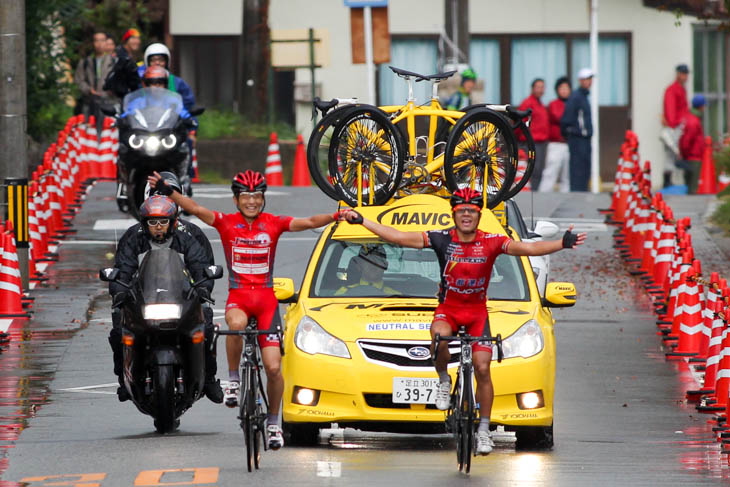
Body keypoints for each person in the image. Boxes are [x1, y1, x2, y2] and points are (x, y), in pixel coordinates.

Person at [338, 188, 585, 455]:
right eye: (461, 211)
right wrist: (363, 221)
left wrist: (562, 243)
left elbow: (529, 247)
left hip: (477, 314)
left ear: (478, 215)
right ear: (453, 214)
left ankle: (483, 432)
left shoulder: (491, 241)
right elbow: (399, 237)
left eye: (471, 211)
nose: (466, 215)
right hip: (449, 310)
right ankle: (444, 380)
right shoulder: (441, 239)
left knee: (482, 368)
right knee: (438, 337)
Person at [148, 169, 343, 450]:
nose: (252, 201)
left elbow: (310, 221)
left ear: (263, 198)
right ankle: (234, 380)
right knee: (235, 324)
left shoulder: (273, 223)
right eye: (246, 196)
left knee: (274, 368)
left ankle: (274, 423)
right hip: (239, 298)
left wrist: (336, 216)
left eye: (257, 196)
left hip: (266, 302)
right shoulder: (227, 224)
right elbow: (194, 208)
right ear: (236, 199)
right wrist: (168, 190)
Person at [108, 194, 223, 403]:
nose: (158, 227)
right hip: (142, 300)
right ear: (145, 223)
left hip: (181, 298)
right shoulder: (133, 238)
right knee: (118, 331)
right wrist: (119, 290)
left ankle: (209, 379)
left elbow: (199, 265)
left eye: (163, 221)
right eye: (153, 222)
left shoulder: (186, 237)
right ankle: (123, 379)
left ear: (173, 222)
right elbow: (122, 269)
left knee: (206, 328)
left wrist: (204, 286)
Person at [138, 43, 199, 179]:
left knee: (184, 145)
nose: (158, 63)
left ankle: (185, 178)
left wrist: (192, 129)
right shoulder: (139, 86)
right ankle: (125, 182)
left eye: (160, 82)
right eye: (154, 60)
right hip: (145, 132)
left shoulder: (177, 87)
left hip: (170, 131)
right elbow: (131, 108)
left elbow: (186, 108)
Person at [561, 68, 594, 192]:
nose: (589, 82)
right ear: (580, 80)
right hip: (578, 138)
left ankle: (582, 191)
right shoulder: (576, 97)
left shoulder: (584, 97)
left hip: (584, 138)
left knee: (585, 168)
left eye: (590, 79)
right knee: (578, 169)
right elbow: (567, 118)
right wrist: (572, 132)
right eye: (587, 79)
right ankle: (578, 194)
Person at [538, 77, 571, 192]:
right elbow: (557, 116)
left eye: (566, 88)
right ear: (557, 90)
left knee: (567, 176)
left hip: (569, 143)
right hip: (556, 144)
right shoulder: (554, 104)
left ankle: (566, 196)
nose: (564, 91)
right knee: (550, 172)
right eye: (561, 88)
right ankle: (544, 195)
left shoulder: (572, 103)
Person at [73, 31, 115, 120]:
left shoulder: (113, 61)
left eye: (102, 40)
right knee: (89, 130)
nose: (99, 44)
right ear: (93, 43)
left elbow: (119, 79)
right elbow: (78, 80)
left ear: (106, 43)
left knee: (108, 130)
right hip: (89, 103)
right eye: (96, 41)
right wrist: (88, 90)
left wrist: (112, 89)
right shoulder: (85, 62)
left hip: (109, 102)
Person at [517, 78, 550, 190]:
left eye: (542, 87)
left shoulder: (540, 104)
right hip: (530, 142)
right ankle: (530, 192)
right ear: (533, 88)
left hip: (541, 142)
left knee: (539, 169)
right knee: (532, 169)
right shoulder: (528, 103)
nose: (541, 90)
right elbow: (520, 122)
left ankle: (535, 191)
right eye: (538, 87)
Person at [335, 245, 399, 296]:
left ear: (385, 265)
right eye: (368, 260)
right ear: (359, 265)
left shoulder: (397, 297)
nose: (373, 264)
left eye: (378, 260)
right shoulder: (343, 293)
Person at [678, 94, 707, 194]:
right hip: (693, 157)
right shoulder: (693, 121)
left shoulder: (690, 118)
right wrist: (685, 154)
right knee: (692, 189)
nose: (705, 108)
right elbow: (687, 140)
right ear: (700, 106)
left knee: (691, 187)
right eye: (704, 105)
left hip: (691, 156)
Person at [104, 28, 142, 100]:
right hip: (117, 99)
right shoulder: (120, 56)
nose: (136, 41)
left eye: (138, 38)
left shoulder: (130, 56)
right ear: (126, 40)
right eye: (133, 38)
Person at [661, 64, 690, 157]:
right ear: (678, 74)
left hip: (681, 129)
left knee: (678, 159)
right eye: (683, 74)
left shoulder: (682, 89)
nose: (685, 77)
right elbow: (670, 112)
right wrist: (672, 127)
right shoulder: (672, 90)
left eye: (686, 74)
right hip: (674, 129)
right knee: (671, 160)